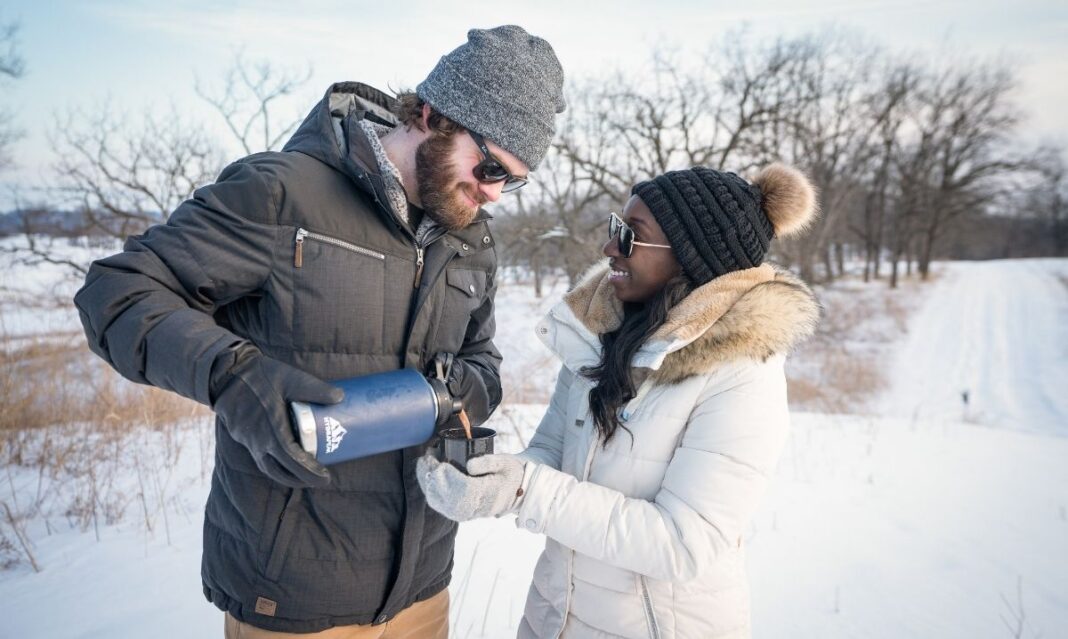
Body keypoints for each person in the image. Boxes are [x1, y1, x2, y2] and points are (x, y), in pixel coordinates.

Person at [74, 25, 565, 639]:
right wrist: (234, 376)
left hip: (423, 584)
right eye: (490, 164)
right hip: (296, 593)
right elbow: (116, 293)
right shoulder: (282, 193)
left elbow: (483, 362)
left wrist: (450, 396)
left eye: (512, 180)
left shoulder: (470, 240)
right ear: (435, 115)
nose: (493, 192)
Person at [418, 163, 821, 638]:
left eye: (631, 235)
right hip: (553, 618)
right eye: (616, 227)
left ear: (691, 255)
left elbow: (683, 544)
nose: (610, 246)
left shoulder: (742, 374)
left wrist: (527, 489)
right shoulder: (601, 339)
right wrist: (491, 482)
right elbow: (552, 452)